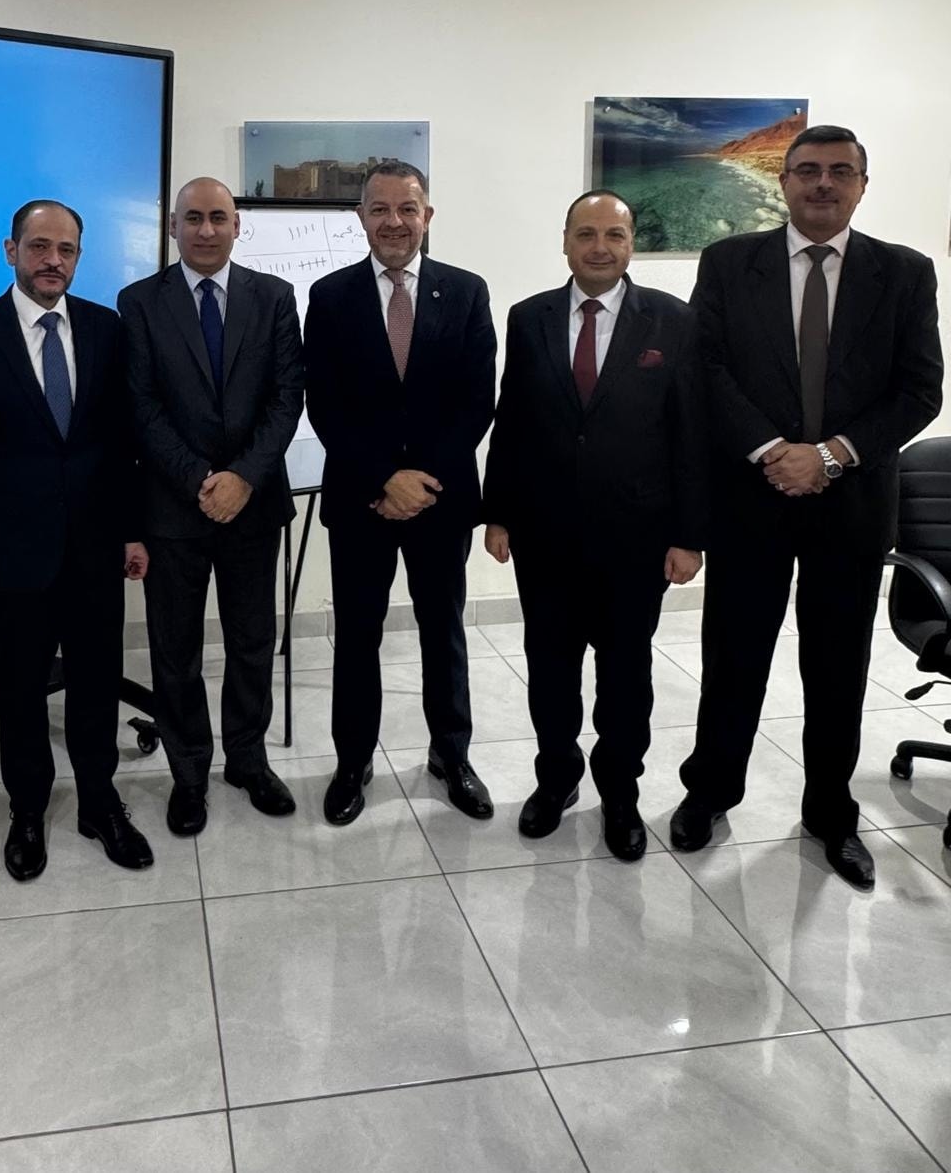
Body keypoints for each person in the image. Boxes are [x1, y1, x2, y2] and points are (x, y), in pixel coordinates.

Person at [671, 125, 943, 888]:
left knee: (837, 670)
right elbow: (705, 368)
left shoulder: (904, 272)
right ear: (784, 180)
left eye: (840, 172)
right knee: (734, 660)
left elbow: (920, 390)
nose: (824, 183)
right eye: (809, 170)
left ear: (862, 185)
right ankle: (710, 792)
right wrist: (772, 450)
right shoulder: (729, 262)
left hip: (850, 507)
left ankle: (830, 813)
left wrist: (829, 455)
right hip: (749, 501)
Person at [482, 191, 706, 860]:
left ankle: (620, 793)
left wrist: (690, 535)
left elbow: (691, 434)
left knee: (625, 677)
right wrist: (498, 513)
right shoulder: (530, 318)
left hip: (637, 539)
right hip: (544, 535)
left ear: (632, 243)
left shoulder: (673, 320)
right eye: (586, 234)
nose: (600, 247)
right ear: (565, 241)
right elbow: (513, 420)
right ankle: (556, 780)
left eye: (614, 234)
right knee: (550, 670)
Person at [0, 200, 152, 881]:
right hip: (12, 557)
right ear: (11, 251)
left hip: (95, 548)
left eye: (66, 250)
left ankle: (99, 802)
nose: (52, 260)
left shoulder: (106, 328)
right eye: (38, 247)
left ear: (79, 257)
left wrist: (132, 530)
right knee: (21, 691)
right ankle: (27, 810)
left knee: (96, 682)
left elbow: (123, 442)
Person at [304, 161, 497, 826]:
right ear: (361, 217)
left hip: (441, 499)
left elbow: (476, 401)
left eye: (407, 208)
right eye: (380, 209)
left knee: (443, 630)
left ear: (427, 216)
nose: (394, 222)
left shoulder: (466, 292)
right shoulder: (329, 297)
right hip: (361, 499)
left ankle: (452, 755)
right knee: (358, 635)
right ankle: (352, 760)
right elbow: (326, 405)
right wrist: (385, 478)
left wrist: (419, 482)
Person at [119, 178, 305, 836]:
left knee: (253, 641)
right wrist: (202, 479)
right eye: (192, 218)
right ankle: (189, 772)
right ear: (173, 227)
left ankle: (248, 761)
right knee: (176, 650)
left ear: (236, 226)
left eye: (218, 217)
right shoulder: (139, 302)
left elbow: (287, 396)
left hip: (254, 505)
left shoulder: (274, 297)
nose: (205, 229)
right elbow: (141, 405)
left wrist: (243, 478)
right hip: (174, 507)